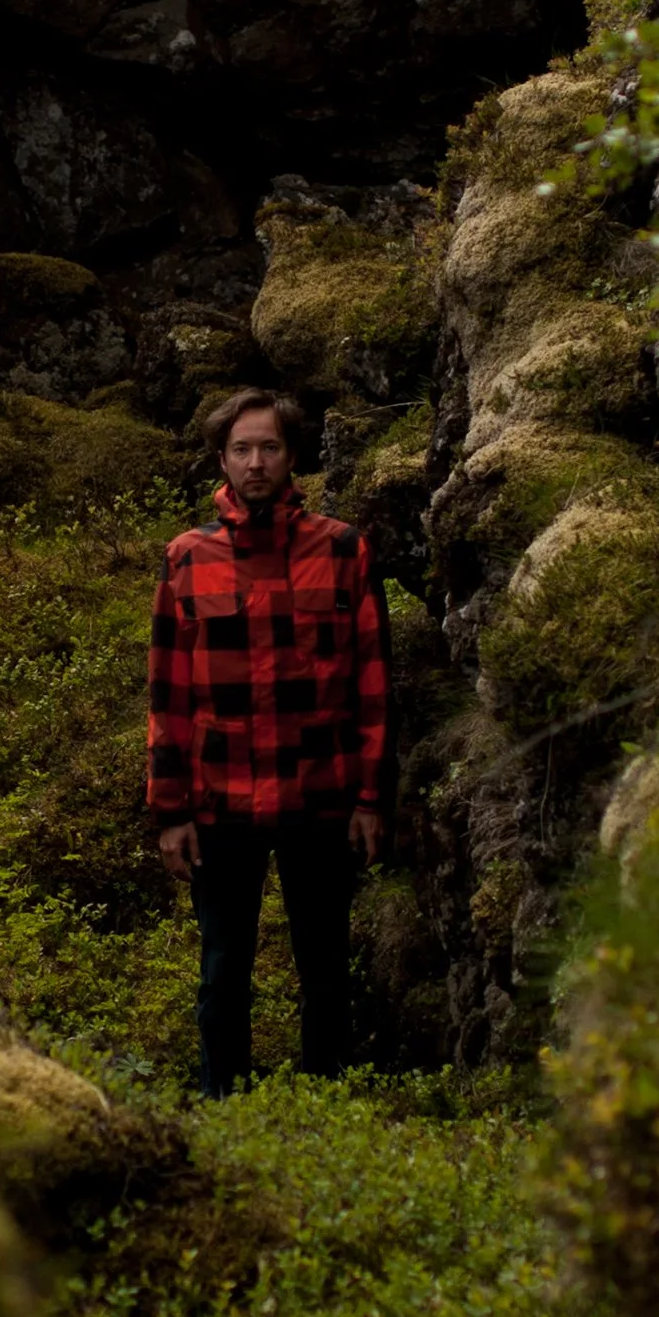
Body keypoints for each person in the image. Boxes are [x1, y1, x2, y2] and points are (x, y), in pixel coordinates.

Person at [146, 387, 392, 1096]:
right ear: (222, 458)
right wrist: (171, 812)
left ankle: (329, 1107)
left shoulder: (343, 548)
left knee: (326, 966)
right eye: (243, 449)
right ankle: (226, 1107)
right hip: (220, 801)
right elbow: (169, 695)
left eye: (271, 448)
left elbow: (372, 682)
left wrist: (372, 798)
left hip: (323, 795)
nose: (257, 463)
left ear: (292, 456)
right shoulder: (186, 558)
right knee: (224, 970)